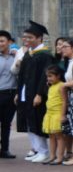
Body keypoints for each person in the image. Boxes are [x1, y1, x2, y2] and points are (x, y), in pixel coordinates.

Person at [15, 21, 54, 163]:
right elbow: (22, 75)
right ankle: (37, 149)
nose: (27, 40)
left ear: (39, 38)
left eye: (30, 37)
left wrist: (39, 94)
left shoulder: (45, 55)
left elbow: (45, 77)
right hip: (26, 93)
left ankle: (44, 151)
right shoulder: (28, 54)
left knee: (37, 122)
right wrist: (19, 93)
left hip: (37, 95)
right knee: (28, 122)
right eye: (25, 37)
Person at [40, 65, 65, 165]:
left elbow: (64, 101)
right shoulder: (50, 86)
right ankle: (52, 155)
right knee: (51, 136)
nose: (48, 78)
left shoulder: (61, 86)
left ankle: (59, 157)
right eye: (47, 76)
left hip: (57, 114)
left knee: (59, 136)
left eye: (50, 76)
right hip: (49, 114)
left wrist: (62, 115)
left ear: (58, 76)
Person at [0, 30, 17, 159]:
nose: (0, 44)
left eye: (2, 41)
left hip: (11, 95)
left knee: (7, 124)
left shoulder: (15, 57)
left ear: (10, 42)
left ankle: (5, 149)